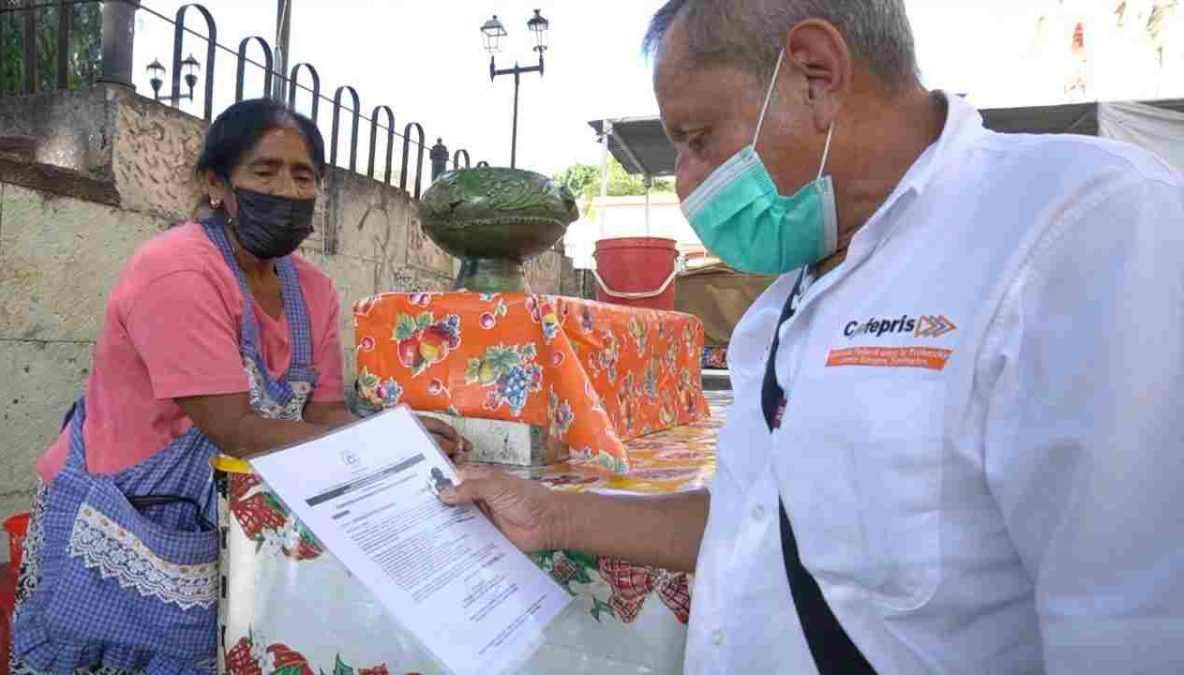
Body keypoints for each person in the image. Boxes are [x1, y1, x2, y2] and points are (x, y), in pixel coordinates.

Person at [441, 1, 1184, 672]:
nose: (687, 182)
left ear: (815, 75)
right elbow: (758, 516)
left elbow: (1132, 624)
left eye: (698, 138)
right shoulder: (790, 293)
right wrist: (555, 513)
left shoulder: (1083, 229)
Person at [9, 99, 470, 675]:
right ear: (216, 184)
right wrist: (387, 448)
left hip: (221, 516)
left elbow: (325, 414)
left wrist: (395, 432)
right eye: (264, 171)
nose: (286, 191)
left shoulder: (313, 291)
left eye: (303, 176)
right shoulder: (179, 270)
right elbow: (236, 429)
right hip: (121, 513)